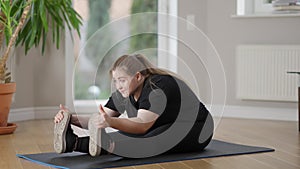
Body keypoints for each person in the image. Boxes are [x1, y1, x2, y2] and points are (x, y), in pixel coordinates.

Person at [54, 54, 214, 158]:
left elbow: (142, 126)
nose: (118, 86)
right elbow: (100, 119)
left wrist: (110, 122)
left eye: (122, 80)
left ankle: (81, 144)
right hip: (164, 125)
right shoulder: (124, 92)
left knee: (146, 138)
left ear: (138, 76)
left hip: (197, 128)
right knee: (130, 132)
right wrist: (70, 118)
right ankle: (72, 142)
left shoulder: (157, 87)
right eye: (115, 81)